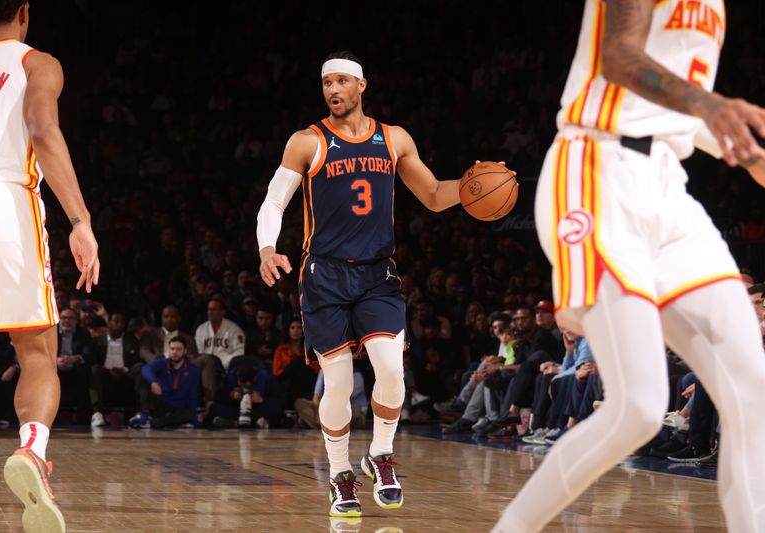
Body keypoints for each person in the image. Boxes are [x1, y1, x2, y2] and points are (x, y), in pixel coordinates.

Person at [494, 1, 765, 531]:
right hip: (596, 168)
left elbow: (678, 110)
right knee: (639, 407)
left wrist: (752, 155)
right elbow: (619, 57)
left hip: (668, 181)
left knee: (752, 388)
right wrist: (712, 105)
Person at [256, 51, 512, 517]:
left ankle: (380, 453)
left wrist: (472, 185)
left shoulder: (393, 139)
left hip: (377, 274)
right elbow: (273, 203)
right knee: (337, 387)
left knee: (392, 372)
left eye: (340, 82)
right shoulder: (307, 142)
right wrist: (267, 248)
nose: (332, 90)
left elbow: (434, 195)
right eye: (326, 83)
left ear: (361, 86)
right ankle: (339, 475)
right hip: (325, 276)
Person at [0, 3, 99, 532]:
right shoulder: (36, 62)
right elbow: (43, 133)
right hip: (2, 199)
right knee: (36, 348)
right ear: (24, 12)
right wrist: (81, 219)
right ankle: (33, 450)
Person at [128, 336, 199, 429]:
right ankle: (146, 415)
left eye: (178, 349)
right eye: (172, 349)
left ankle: (151, 423)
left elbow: (192, 395)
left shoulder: (193, 370)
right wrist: (154, 381)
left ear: (185, 351)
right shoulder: (162, 363)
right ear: (168, 350)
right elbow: (146, 369)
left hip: (176, 407)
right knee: (143, 376)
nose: (175, 352)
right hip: (159, 403)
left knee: (187, 415)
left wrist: (194, 421)